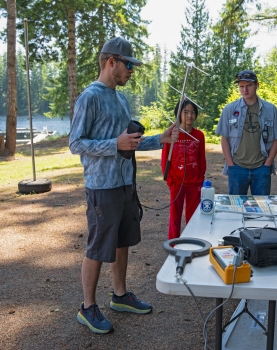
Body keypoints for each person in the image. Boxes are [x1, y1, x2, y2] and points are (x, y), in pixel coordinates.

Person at [69, 37, 179, 334]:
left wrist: (160, 140)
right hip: (102, 187)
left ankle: (119, 296)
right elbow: (75, 143)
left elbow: (129, 143)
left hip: (126, 184)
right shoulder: (89, 97)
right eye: (129, 64)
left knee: (123, 241)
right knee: (97, 246)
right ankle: (87, 307)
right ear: (111, 62)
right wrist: (112, 144)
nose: (132, 70)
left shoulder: (120, 97)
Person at [215, 69, 277, 195]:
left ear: (257, 85)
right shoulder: (229, 109)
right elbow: (224, 137)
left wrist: (268, 163)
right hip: (237, 167)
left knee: (262, 209)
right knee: (236, 208)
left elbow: (276, 138)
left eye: (249, 85)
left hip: (261, 167)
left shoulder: (270, 109)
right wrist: (231, 164)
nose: (245, 90)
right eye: (241, 86)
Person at [161, 99, 206, 239]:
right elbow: (165, 159)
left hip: (194, 183)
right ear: (178, 114)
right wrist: (169, 179)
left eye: (193, 112)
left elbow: (201, 159)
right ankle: (173, 245)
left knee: (193, 217)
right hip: (176, 182)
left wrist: (200, 178)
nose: (189, 116)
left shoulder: (199, 135)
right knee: (175, 217)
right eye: (185, 112)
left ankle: (191, 243)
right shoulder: (172, 135)